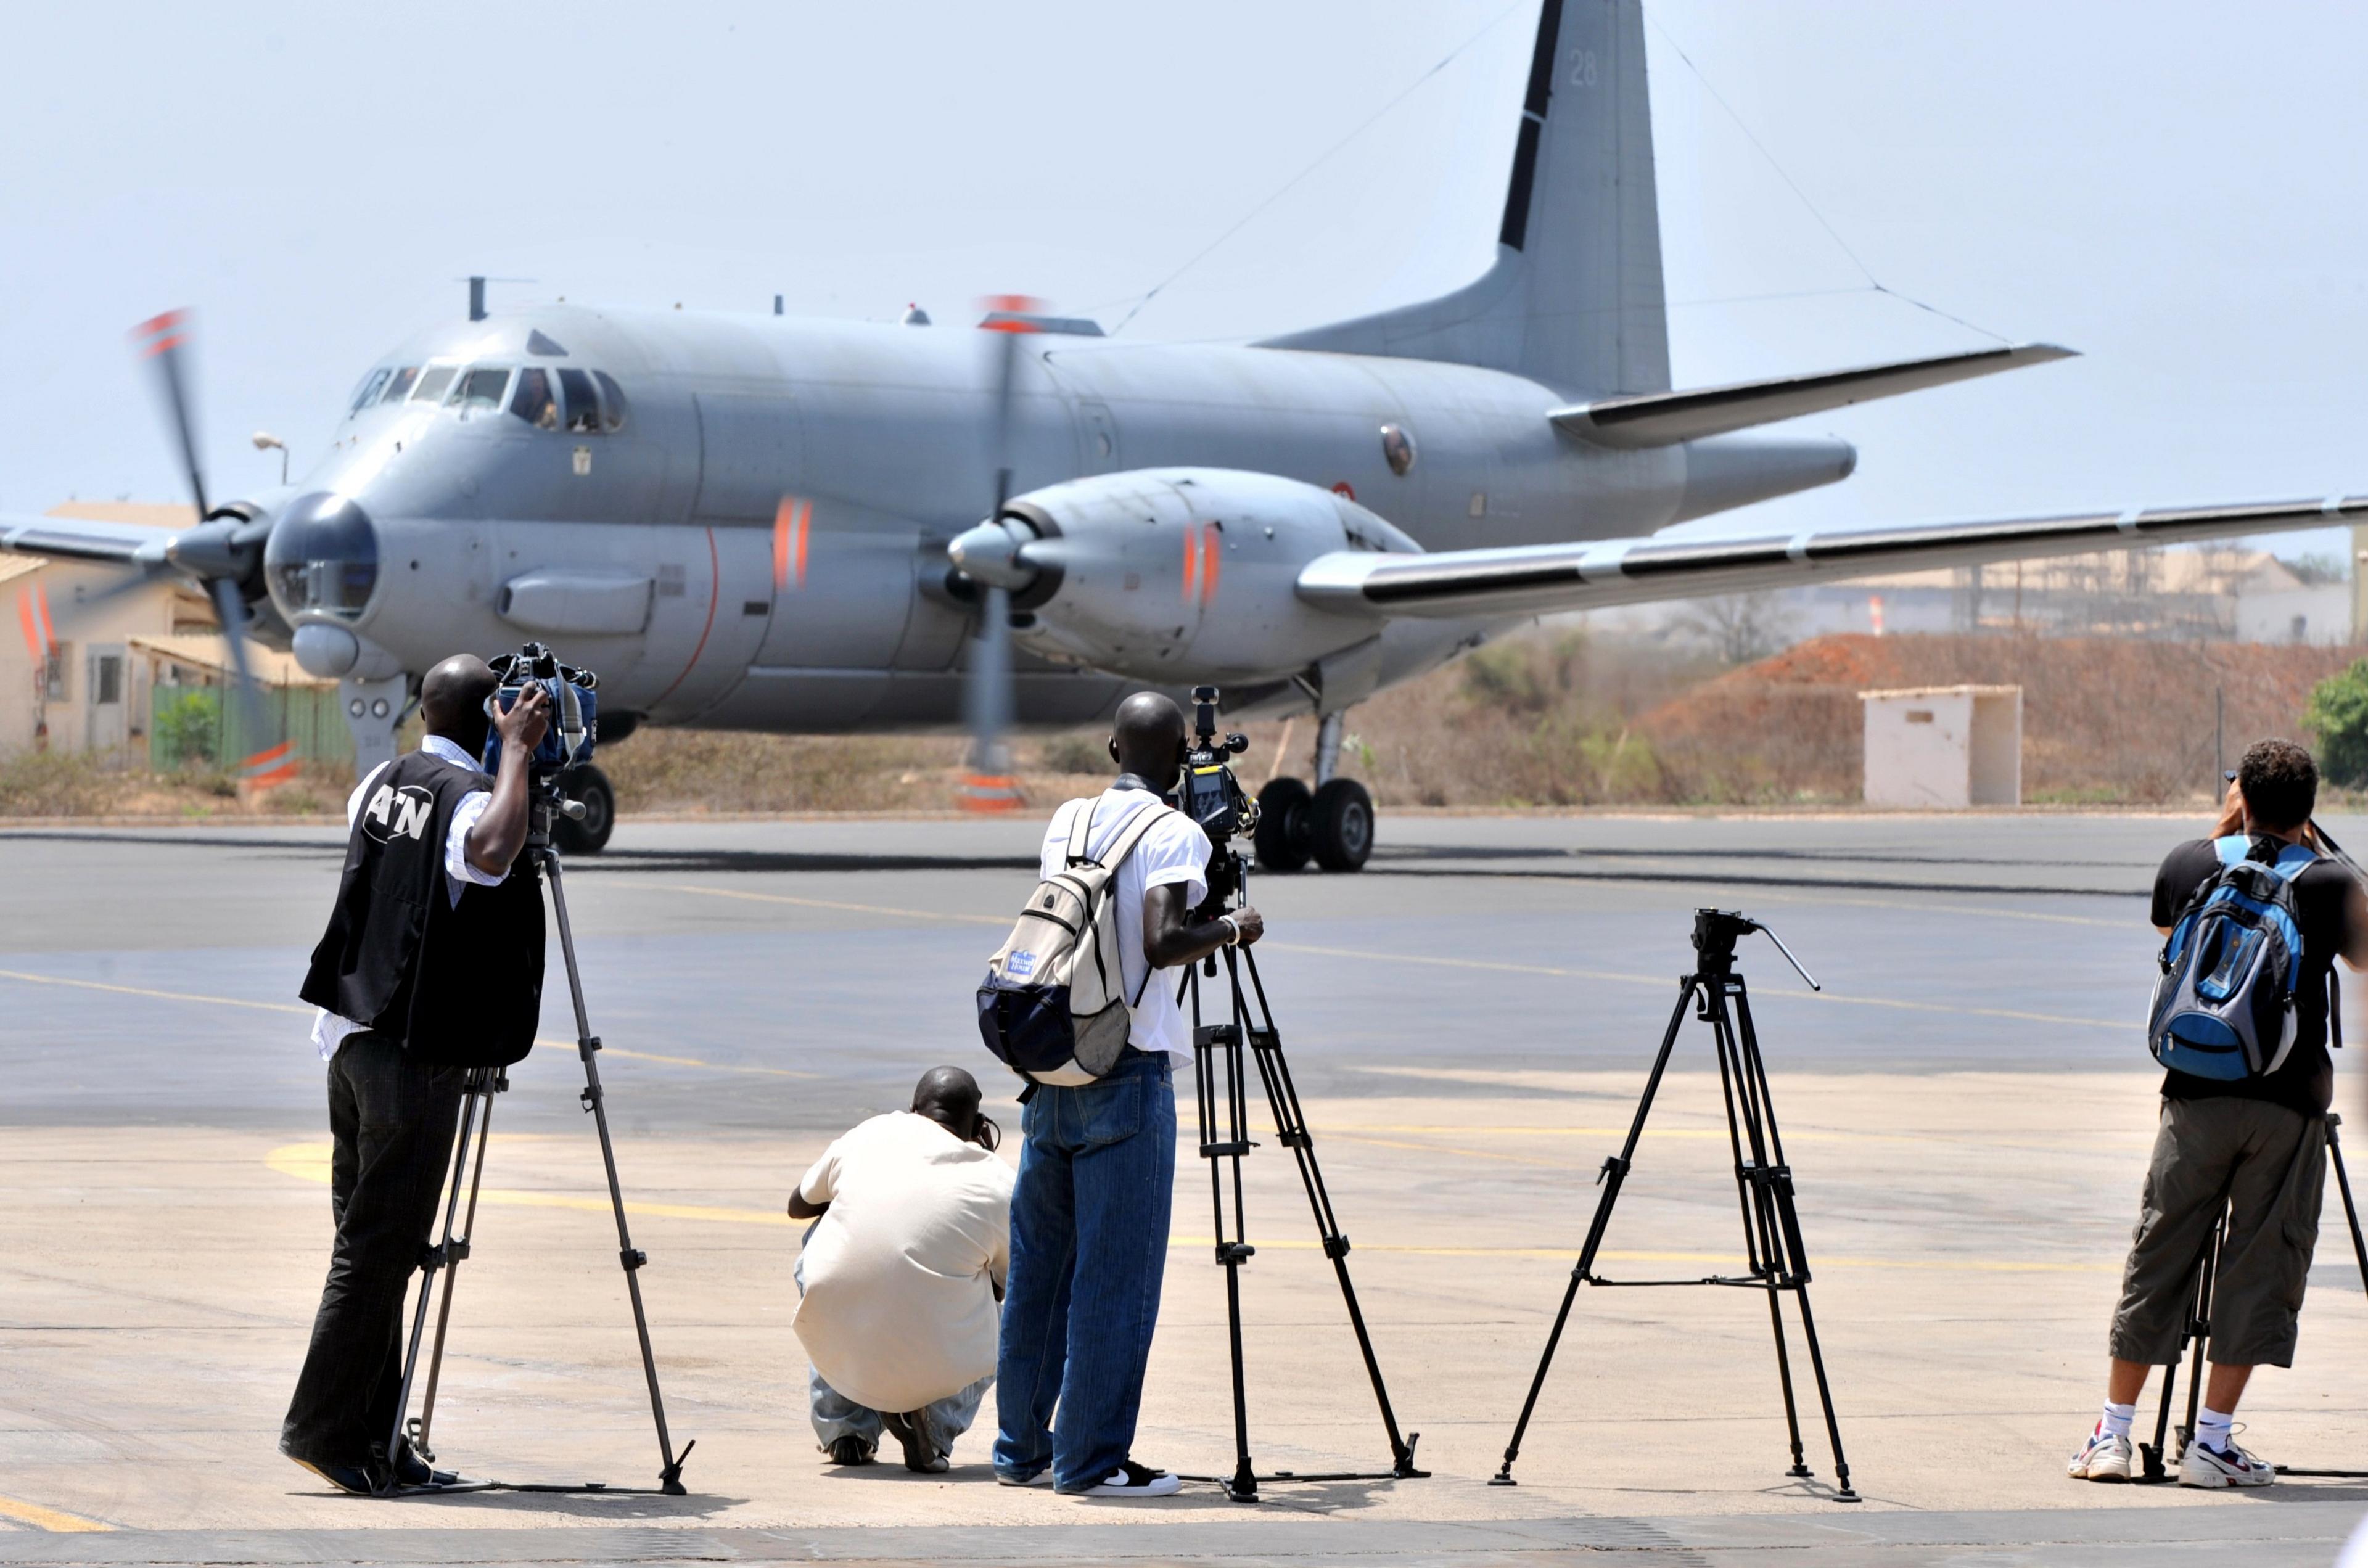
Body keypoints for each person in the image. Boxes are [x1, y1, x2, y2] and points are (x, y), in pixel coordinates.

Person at [279, 655, 552, 1495]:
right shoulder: (471, 793)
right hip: (410, 1053)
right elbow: (494, 850)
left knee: (372, 1250)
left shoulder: (381, 780)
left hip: (351, 1038)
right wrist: (517, 754)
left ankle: (374, 1431)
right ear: (489, 717)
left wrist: (503, 753)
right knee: (378, 1250)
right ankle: (325, 1428)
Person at [2070, 738, 2367, 1488]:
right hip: (2288, 1105)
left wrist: (2228, 828)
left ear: (2242, 794)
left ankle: (2113, 1432)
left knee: (2159, 1252)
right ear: (2310, 802)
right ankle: (2211, 1441)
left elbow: (2178, 947)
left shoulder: (2188, 863)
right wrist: (2315, 849)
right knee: (2262, 1264)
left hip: (2194, 1096)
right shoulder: (2330, 882)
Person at [993, 691, 1265, 1498]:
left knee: (1041, 1279)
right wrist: (1235, 925)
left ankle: (1022, 1451)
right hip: (1128, 1071)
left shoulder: (1066, 819)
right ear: (1181, 757)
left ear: (1113, 750)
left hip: (1054, 1066)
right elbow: (1161, 938)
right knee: (1117, 1280)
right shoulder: (1178, 831)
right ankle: (1091, 1460)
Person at [788, 1067, 1014, 1473]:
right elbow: (1002, 1288)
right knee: (1001, 1310)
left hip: (847, 1317)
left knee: (823, 1238)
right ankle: (934, 1425)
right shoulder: (995, 1179)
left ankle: (846, 1428)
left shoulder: (871, 1133)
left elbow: (798, 1205)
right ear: (980, 1125)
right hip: (930, 1344)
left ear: (913, 1109)